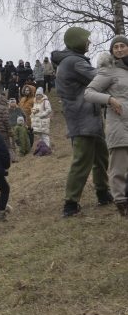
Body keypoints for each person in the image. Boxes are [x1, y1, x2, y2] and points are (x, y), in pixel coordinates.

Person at [51, 26, 112, 217]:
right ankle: (70, 203)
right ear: (77, 41)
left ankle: (103, 193)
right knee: (82, 161)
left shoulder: (72, 60)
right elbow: (100, 78)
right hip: (82, 118)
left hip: (89, 117)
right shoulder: (74, 62)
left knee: (100, 158)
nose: (89, 43)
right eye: (86, 39)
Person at [85, 35, 128, 215]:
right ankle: (121, 202)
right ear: (111, 51)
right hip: (118, 124)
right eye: (115, 47)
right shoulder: (108, 71)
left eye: (123, 46)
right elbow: (88, 93)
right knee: (119, 167)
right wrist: (109, 99)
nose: (119, 49)